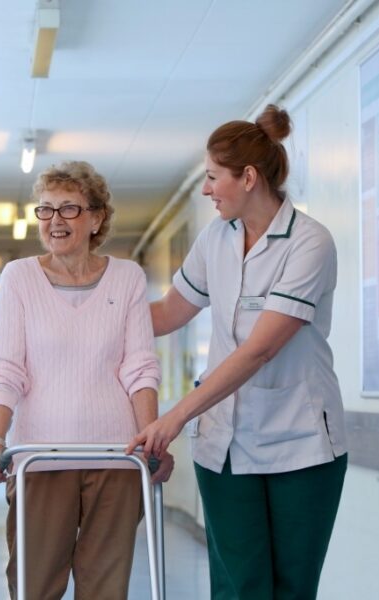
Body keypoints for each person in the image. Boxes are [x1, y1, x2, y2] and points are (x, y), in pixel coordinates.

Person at [128, 105, 347, 600]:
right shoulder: (215, 238)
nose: (205, 190)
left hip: (302, 444)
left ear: (247, 177)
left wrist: (175, 416)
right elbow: (166, 313)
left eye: (211, 177)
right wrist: (95, 312)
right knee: (237, 587)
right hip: (223, 446)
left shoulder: (310, 243)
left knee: (291, 589)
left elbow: (259, 350)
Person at [0, 160, 173, 600]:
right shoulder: (20, 278)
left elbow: (139, 367)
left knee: (105, 589)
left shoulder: (127, 278)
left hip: (117, 458)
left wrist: (151, 440)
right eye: (45, 210)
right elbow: (8, 367)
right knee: (34, 587)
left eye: (68, 209)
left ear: (96, 217)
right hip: (40, 459)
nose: (55, 221)